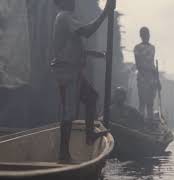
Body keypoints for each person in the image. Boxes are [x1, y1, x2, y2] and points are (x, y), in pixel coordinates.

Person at [51, 0, 115, 162]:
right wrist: (105, 13)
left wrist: (92, 53)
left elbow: (72, 44)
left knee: (91, 97)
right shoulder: (64, 16)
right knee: (69, 113)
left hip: (73, 71)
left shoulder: (66, 18)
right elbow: (87, 31)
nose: (73, 2)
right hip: (67, 71)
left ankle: (89, 134)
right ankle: (64, 155)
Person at [134, 27, 160, 120]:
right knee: (142, 101)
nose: (146, 36)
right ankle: (141, 121)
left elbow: (153, 65)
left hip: (152, 78)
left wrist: (158, 80)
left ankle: (150, 121)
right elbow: (138, 64)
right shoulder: (137, 48)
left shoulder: (152, 47)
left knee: (150, 103)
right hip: (142, 77)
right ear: (141, 36)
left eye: (147, 34)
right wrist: (145, 74)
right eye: (144, 34)